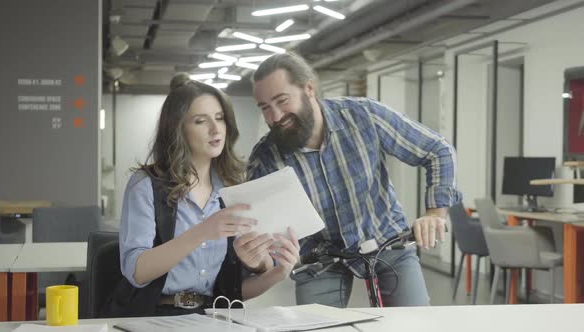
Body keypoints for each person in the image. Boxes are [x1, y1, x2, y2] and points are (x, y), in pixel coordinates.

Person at [247, 53, 462, 307]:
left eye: (282, 101)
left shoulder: (364, 116)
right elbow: (262, 234)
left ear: (309, 89)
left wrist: (435, 213)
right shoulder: (265, 159)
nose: (275, 116)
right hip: (319, 258)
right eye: (265, 108)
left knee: (412, 324)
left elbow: (438, 150)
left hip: (387, 240)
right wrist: (263, 260)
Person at [106, 79, 299, 317]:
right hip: (153, 315)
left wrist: (276, 273)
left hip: (209, 316)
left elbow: (230, 294)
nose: (215, 129)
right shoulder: (146, 184)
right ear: (178, 128)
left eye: (219, 118)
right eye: (200, 121)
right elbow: (136, 271)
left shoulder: (233, 189)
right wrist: (203, 232)